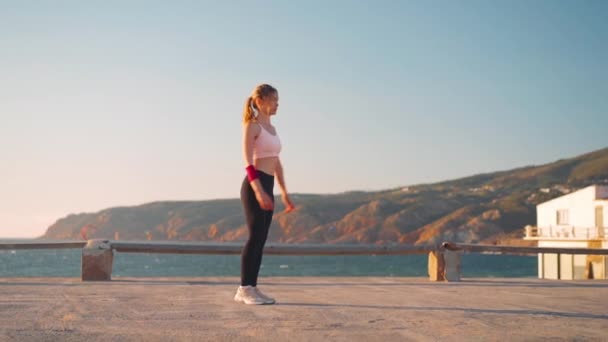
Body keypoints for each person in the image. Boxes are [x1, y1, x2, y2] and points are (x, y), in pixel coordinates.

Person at [234, 83, 296, 305]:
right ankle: (244, 288)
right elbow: (247, 162)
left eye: (278, 100)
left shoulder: (272, 129)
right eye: (273, 100)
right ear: (260, 101)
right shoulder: (252, 126)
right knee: (254, 237)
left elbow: (277, 163)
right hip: (254, 185)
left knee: (261, 239)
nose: (277, 104)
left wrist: (284, 192)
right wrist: (259, 191)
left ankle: (252, 286)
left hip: (268, 184)